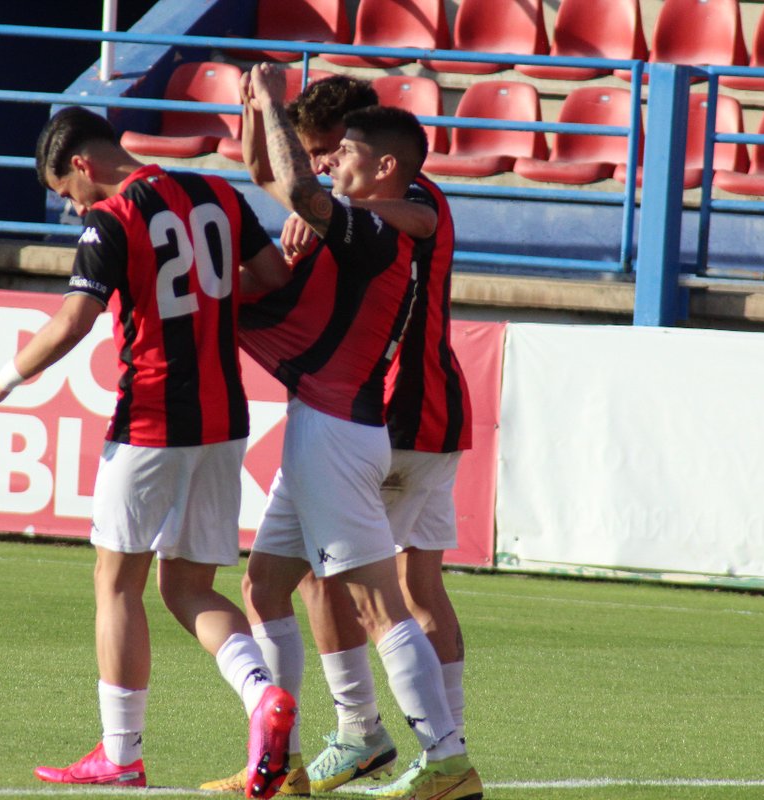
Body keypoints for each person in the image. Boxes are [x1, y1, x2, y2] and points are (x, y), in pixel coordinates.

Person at [0, 105, 298, 798]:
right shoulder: (218, 193)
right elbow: (271, 277)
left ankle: (122, 753)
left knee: (117, 585)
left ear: (83, 164)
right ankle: (263, 694)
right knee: (191, 587)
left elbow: (74, 320)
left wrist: (3, 380)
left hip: (151, 417)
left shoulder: (110, 220)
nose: (69, 205)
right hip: (224, 418)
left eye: (65, 191)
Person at [202, 74, 475, 799]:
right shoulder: (363, 206)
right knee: (267, 585)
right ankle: (285, 759)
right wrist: (263, 111)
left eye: (335, 151)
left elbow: (304, 189)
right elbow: (275, 175)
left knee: (369, 594)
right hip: (367, 415)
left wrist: (323, 202)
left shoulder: (399, 209)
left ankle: (420, 749)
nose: (323, 164)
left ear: (376, 152)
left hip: (384, 413)